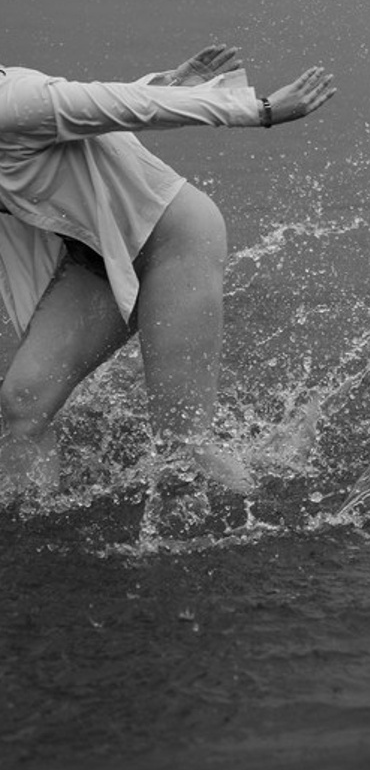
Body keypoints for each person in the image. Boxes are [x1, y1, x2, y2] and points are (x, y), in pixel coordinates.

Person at [0, 43, 336, 499]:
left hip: (173, 243)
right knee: (24, 403)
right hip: (101, 257)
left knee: (184, 443)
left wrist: (263, 110)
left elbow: (130, 107)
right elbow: (100, 110)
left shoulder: (12, 102)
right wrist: (174, 83)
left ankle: (274, 513)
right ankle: (32, 525)